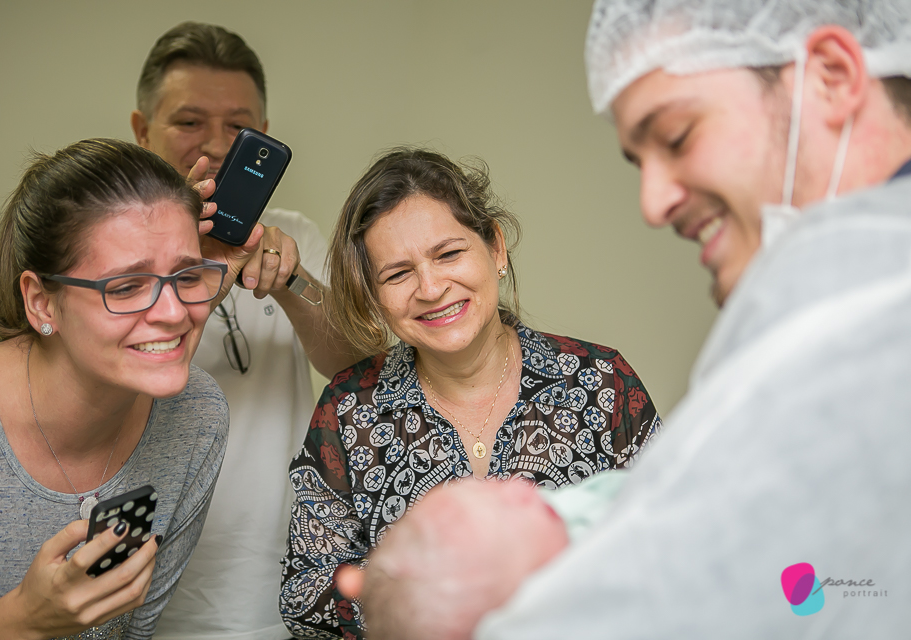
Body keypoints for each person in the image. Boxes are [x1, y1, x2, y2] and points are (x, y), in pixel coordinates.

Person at [333, 1, 911, 638]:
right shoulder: (818, 306)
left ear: (831, 76)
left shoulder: (865, 319)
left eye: (678, 136)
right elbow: (805, 582)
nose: (652, 203)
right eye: (639, 162)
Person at [279, 147, 661, 638]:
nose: (431, 286)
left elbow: (673, 542)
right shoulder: (349, 410)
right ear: (375, 296)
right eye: (397, 274)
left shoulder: (603, 382)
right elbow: (305, 597)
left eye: (449, 254)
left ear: (496, 249)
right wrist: (429, 600)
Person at [0, 138, 265, 639]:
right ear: (41, 303)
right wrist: (26, 620)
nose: (173, 312)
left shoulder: (197, 417)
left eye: (186, 275)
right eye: (125, 287)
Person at [129, 22, 359, 640]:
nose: (217, 143)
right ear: (140, 129)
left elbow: (356, 367)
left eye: (240, 126)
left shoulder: (293, 234)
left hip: (272, 589)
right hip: (137, 593)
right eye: (189, 121)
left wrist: (292, 281)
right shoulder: (107, 251)